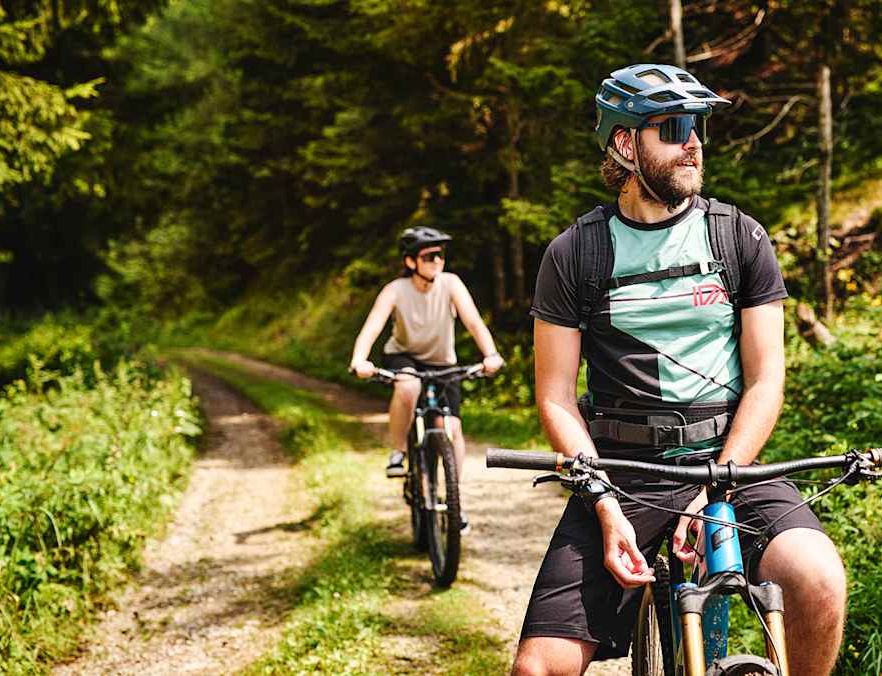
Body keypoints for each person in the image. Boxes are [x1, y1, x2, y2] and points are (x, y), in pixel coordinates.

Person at [513, 64, 848, 676]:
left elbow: (767, 376)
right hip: (621, 472)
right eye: (673, 127)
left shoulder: (738, 237)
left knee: (819, 580)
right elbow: (556, 396)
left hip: (731, 464)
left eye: (696, 125)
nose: (693, 141)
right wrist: (604, 505)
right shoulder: (576, 254)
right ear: (625, 143)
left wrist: (720, 479)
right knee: (538, 669)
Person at [350, 227, 504, 525]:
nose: (437, 261)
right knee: (408, 387)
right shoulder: (395, 290)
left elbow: (473, 321)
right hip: (404, 356)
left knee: (453, 430)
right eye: (429, 256)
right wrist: (359, 359)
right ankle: (397, 453)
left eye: (440, 255)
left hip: (442, 362)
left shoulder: (451, 284)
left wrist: (491, 354)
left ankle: (454, 501)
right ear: (411, 262)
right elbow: (372, 327)